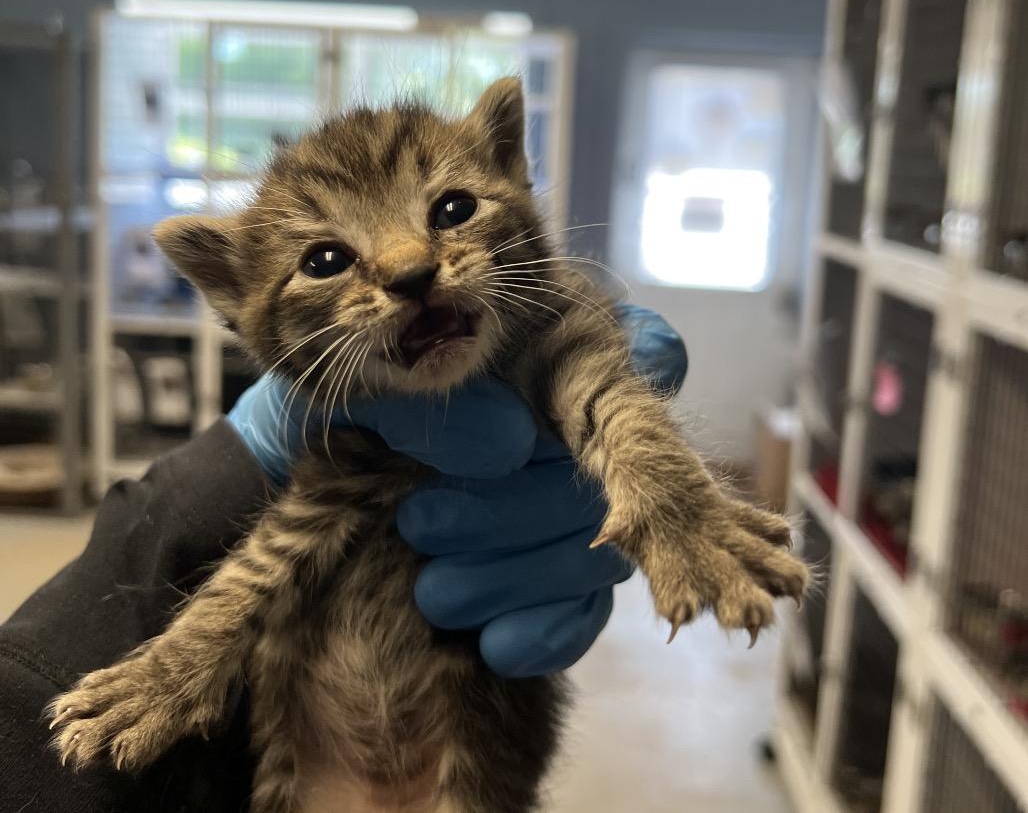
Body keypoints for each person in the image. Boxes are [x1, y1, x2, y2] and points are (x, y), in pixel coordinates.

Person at [0, 306, 686, 812]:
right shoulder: (333, 423)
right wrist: (229, 477)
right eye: (329, 257)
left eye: (449, 212)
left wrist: (679, 507)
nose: (408, 262)